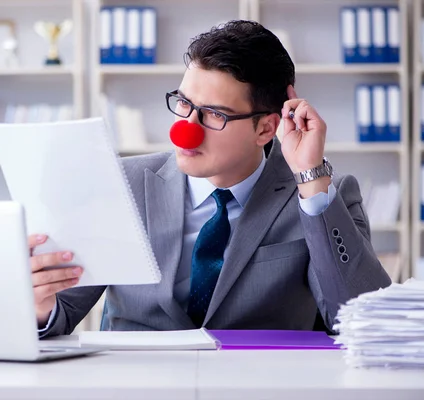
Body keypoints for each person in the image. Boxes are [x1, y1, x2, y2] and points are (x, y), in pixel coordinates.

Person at [30, 20, 392, 336]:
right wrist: (40, 303)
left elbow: (361, 322)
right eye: (184, 104)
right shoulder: (122, 185)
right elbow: (59, 314)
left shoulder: (323, 195)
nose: (186, 131)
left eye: (214, 115)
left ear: (266, 128)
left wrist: (311, 180)